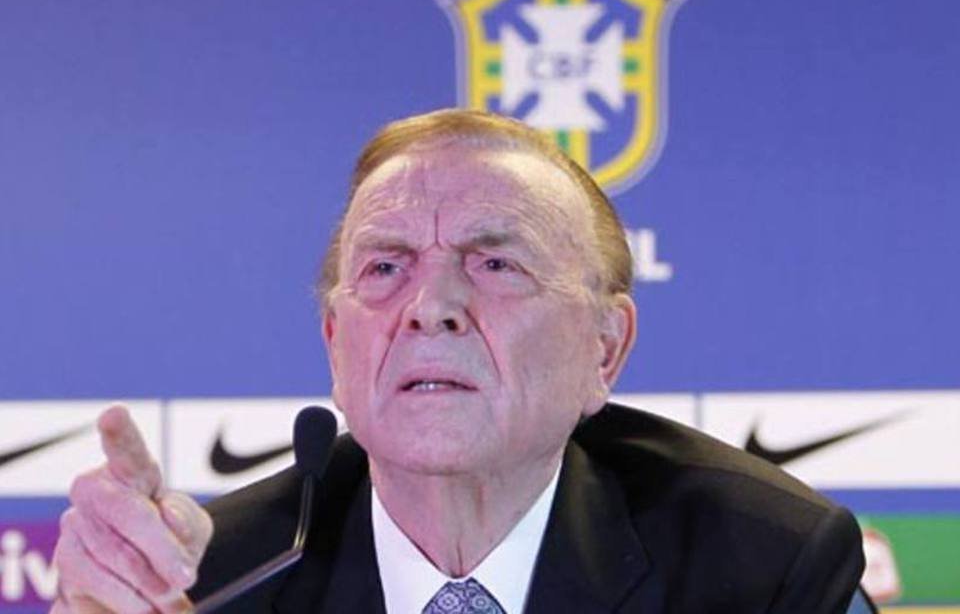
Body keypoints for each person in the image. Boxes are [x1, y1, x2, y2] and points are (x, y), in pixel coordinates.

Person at [51, 109, 865, 613]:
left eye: (495, 263)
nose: (429, 305)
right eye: (385, 267)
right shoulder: (208, 582)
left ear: (605, 348)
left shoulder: (760, 567)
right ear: (335, 344)